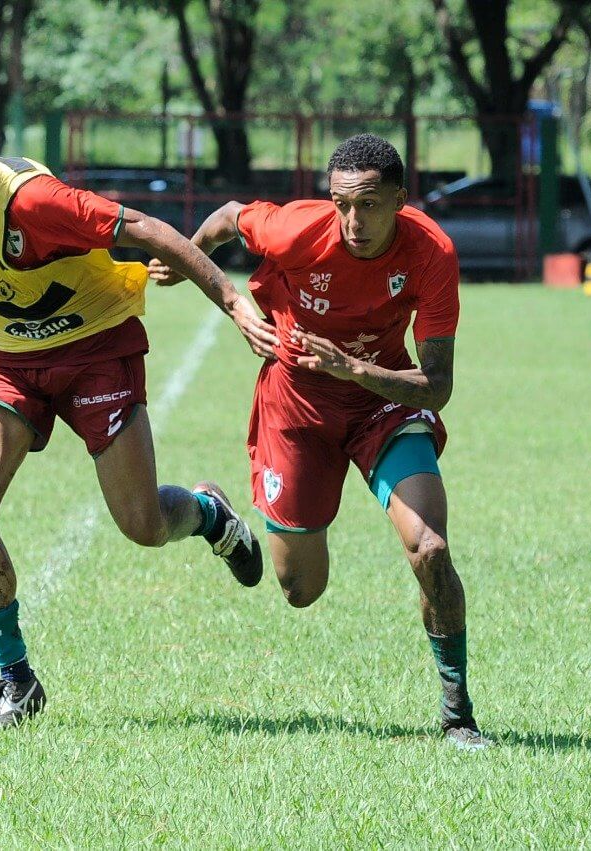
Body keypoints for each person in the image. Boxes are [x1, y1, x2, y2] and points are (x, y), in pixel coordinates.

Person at [0, 91, 277, 729]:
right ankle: (15, 677)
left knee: (142, 525)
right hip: (10, 362)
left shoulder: (34, 203)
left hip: (97, 348)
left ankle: (206, 514)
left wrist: (233, 302)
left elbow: (147, 229)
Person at [149, 133, 490, 750]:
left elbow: (436, 386)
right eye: (342, 204)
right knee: (300, 590)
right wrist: (187, 256)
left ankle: (457, 713)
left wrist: (354, 369)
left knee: (430, 548)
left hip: (383, 402)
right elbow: (229, 217)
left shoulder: (431, 251)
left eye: (370, 205)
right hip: (295, 405)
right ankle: (213, 517)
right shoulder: (297, 230)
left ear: (401, 201)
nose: (353, 222)